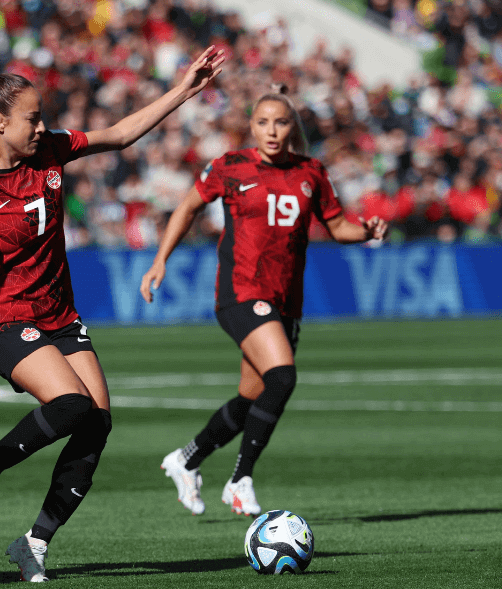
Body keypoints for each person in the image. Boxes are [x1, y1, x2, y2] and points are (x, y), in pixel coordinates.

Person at [0, 29, 225, 582]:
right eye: (33, 119)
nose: (43, 126)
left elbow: (120, 134)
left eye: (42, 118)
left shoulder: (52, 150)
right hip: (7, 319)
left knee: (98, 422)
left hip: (60, 315)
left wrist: (185, 89)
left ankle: (34, 543)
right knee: (70, 405)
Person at [138, 89, 388, 517]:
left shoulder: (311, 171)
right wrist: (160, 260)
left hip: (285, 300)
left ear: (293, 127)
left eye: (281, 122)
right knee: (283, 377)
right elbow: (187, 207)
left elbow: (338, 225)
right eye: (263, 122)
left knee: (252, 396)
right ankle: (240, 479)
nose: (272, 131)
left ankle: (187, 458)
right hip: (240, 292)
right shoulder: (231, 167)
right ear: (251, 127)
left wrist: (367, 230)